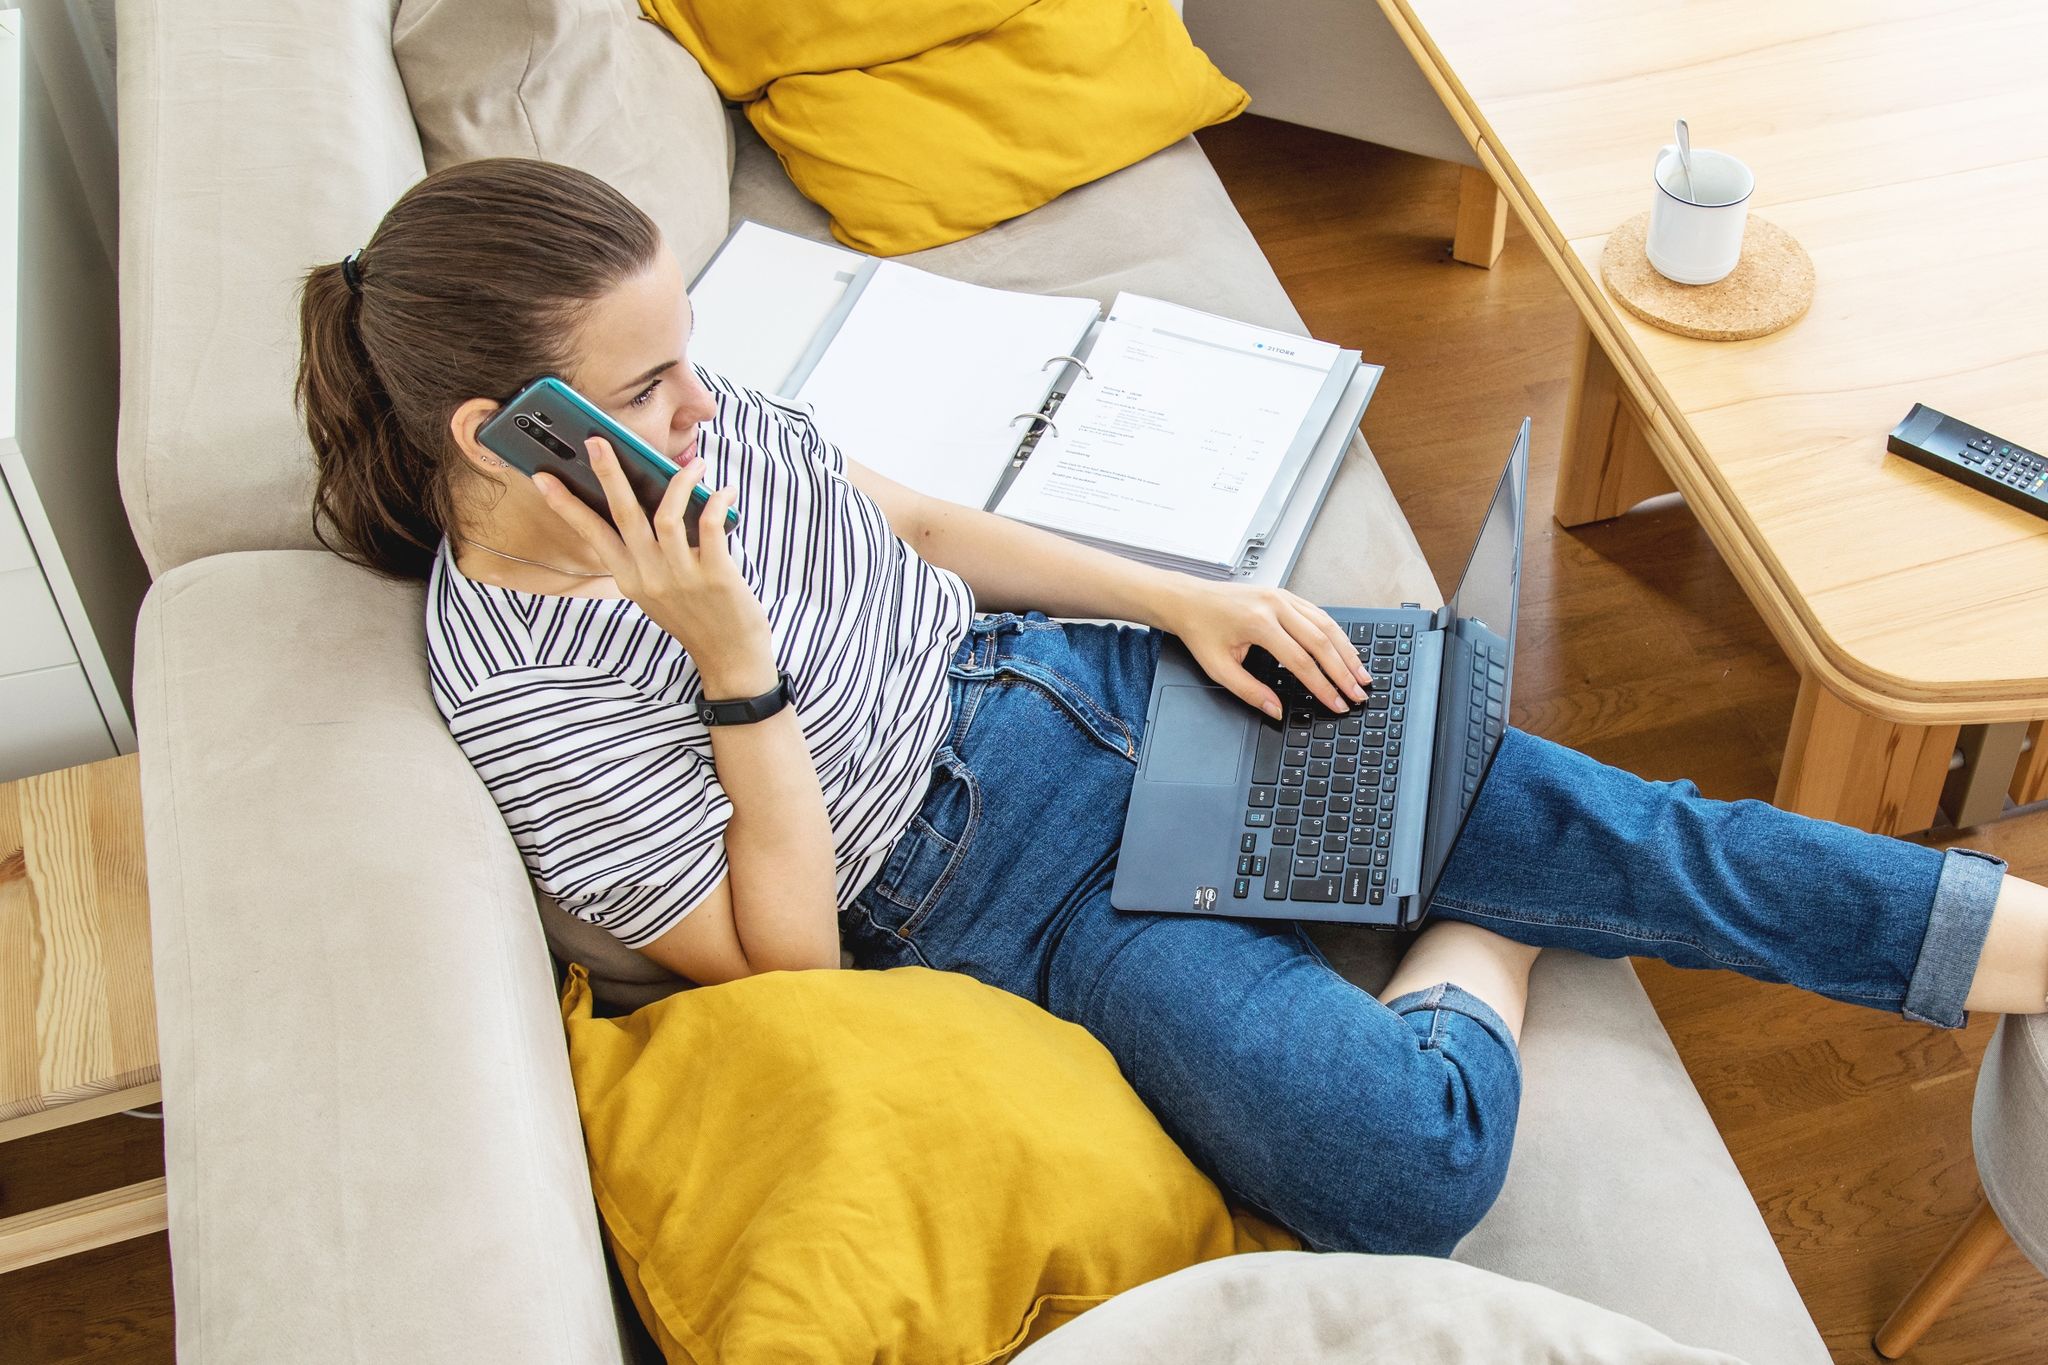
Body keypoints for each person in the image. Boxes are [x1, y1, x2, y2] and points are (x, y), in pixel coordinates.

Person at [296, 158, 2048, 1257]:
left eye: (690, 356)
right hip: (1003, 901)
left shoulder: (681, 419)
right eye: (649, 382)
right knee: (1406, 1168)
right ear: (502, 432)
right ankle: (1492, 929)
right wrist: (729, 655)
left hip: (1087, 682)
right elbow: (803, 969)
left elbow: (906, 519)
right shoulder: (519, 686)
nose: (701, 397)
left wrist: (1183, 596)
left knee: (1658, 836)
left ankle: (2031, 944)